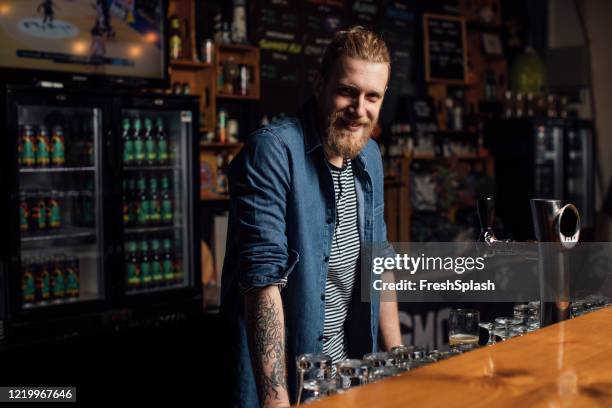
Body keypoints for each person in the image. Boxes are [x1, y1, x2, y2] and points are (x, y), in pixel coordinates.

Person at [220, 26, 401, 408]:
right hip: (288, 385)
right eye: (347, 91)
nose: (359, 110)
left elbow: (380, 261)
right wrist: (276, 401)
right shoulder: (272, 151)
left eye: (372, 97)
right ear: (319, 84)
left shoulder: (371, 156)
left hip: (350, 377)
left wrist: (397, 360)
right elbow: (261, 283)